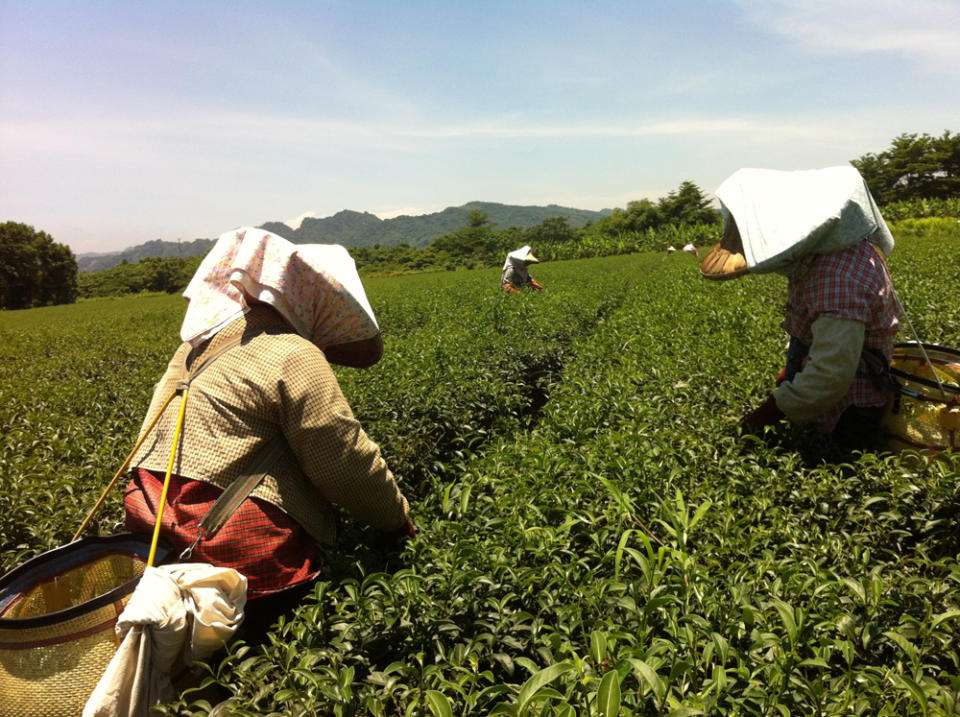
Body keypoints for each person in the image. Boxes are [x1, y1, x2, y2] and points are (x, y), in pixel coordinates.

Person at [124, 227, 414, 636]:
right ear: (315, 303)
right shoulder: (292, 352)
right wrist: (394, 518)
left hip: (151, 525)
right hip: (236, 546)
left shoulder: (194, 345)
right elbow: (345, 460)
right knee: (270, 646)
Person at [700, 166, 900, 452]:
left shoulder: (837, 275)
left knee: (835, 470)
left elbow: (830, 374)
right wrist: (790, 373)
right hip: (828, 399)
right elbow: (821, 334)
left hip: (848, 412)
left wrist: (765, 416)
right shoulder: (825, 256)